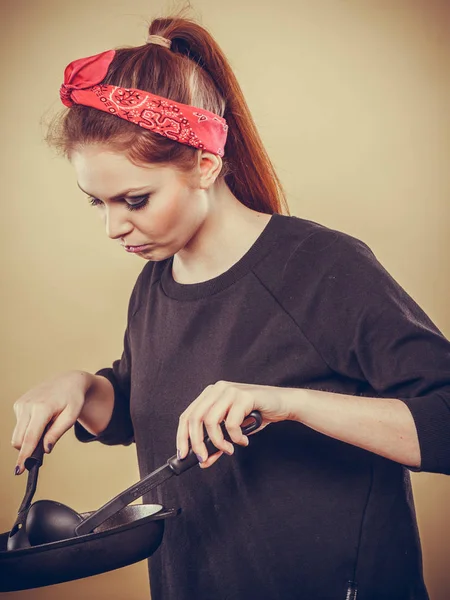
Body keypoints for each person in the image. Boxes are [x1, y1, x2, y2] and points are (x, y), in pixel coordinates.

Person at [11, 14, 450, 600]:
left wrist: (286, 404)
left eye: (134, 199)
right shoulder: (155, 282)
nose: (114, 227)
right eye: (97, 202)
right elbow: (150, 407)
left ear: (206, 165)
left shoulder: (322, 268)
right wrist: (83, 388)